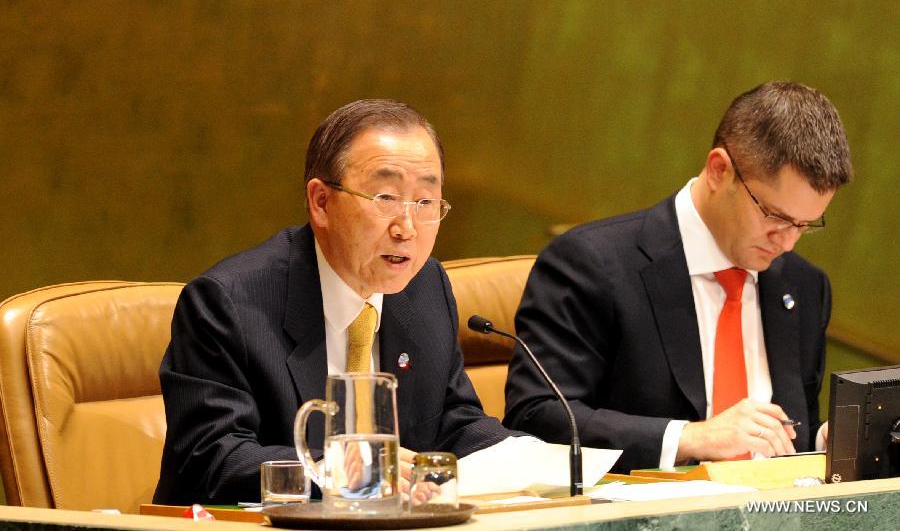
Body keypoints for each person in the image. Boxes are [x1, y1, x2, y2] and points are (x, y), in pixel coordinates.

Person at [154, 99, 517, 504]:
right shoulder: (229, 304)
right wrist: (351, 472)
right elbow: (212, 458)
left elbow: (455, 420)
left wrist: (535, 459)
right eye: (385, 197)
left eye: (426, 201)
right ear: (321, 202)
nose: (408, 228)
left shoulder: (425, 286)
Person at [504, 81, 853, 473]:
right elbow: (535, 416)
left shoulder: (804, 286)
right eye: (774, 216)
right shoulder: (592, 264)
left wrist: (828, 443)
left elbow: (783, 437)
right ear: (720, 170)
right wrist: (691, 438)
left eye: (804, 225)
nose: (787, 243)